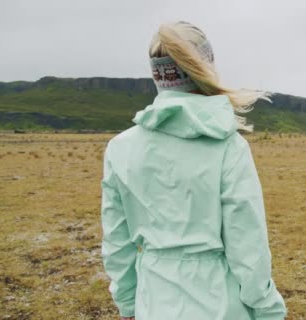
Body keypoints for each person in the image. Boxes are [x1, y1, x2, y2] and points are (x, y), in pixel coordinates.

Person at [100, 21, 287, 320]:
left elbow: (117, 242)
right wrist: (267, 310)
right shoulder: (229, 146)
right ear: (205, 66)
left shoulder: (120, 148)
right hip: (221, 307)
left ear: (156, 73)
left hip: (153, 303)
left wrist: (128, 304)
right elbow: (247, 247)